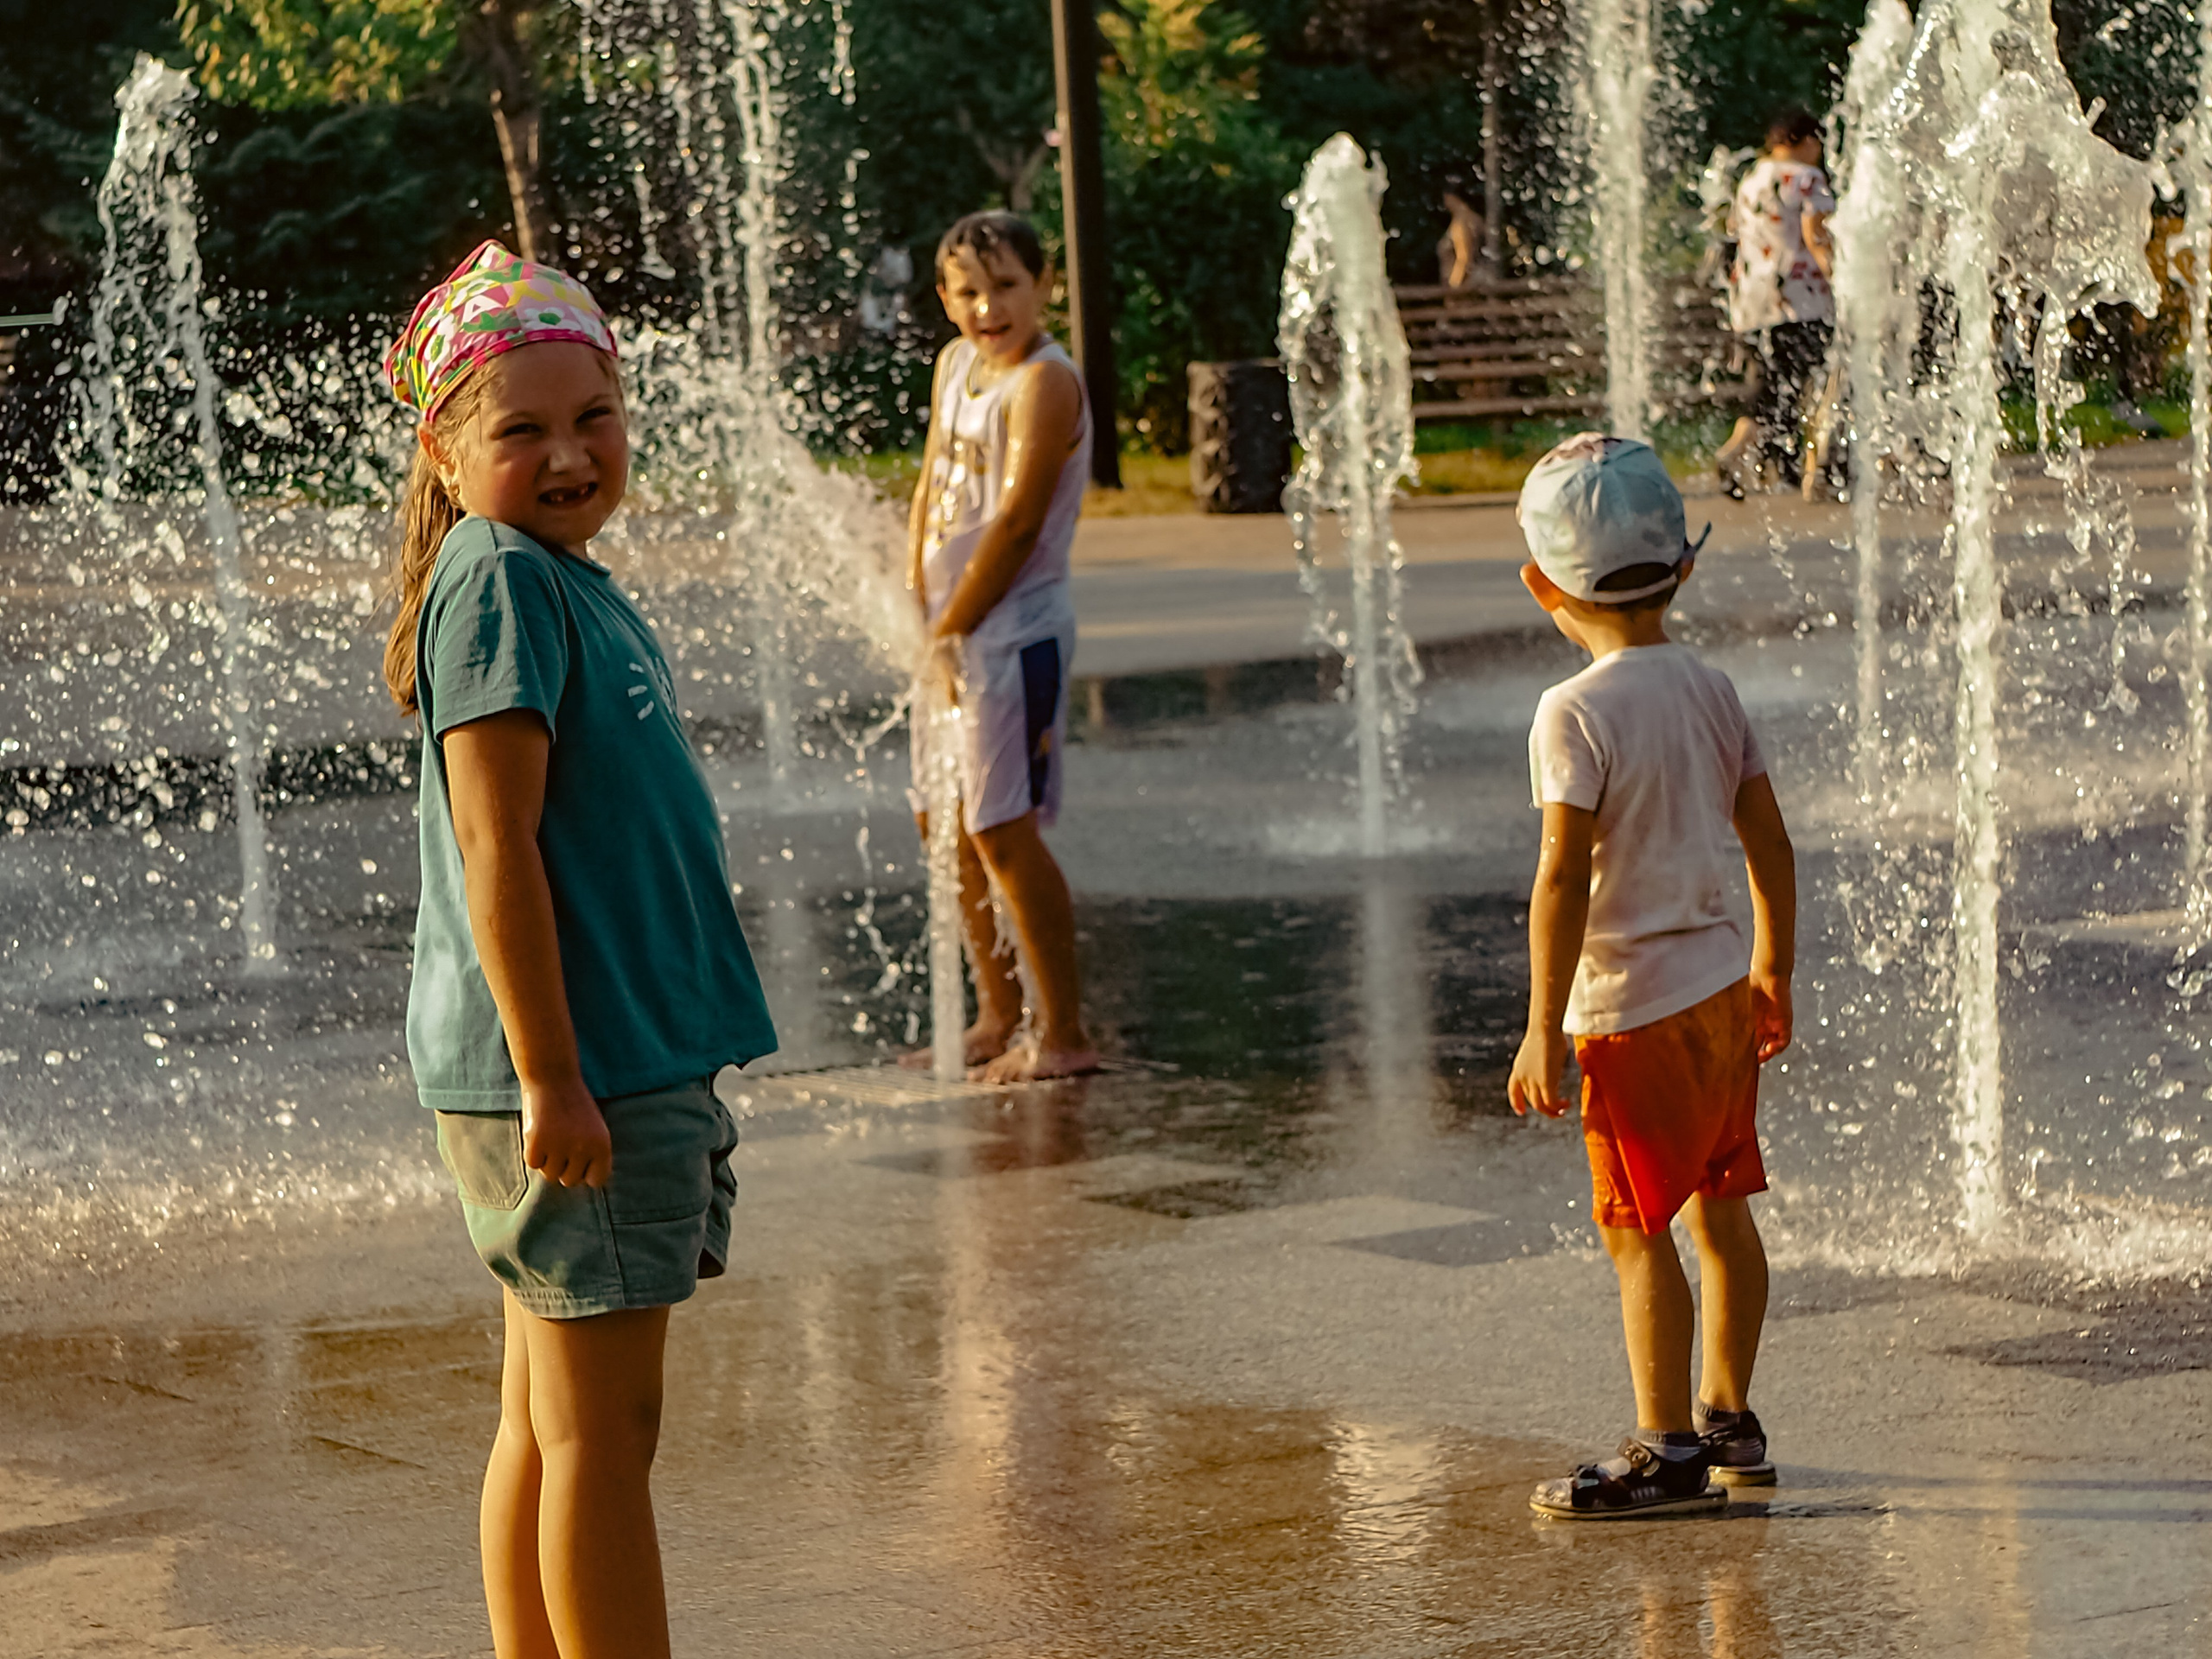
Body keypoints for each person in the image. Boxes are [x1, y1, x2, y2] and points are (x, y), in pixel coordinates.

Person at [382, 241, 777, 1656]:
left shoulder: (549, 574)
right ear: (445, 455)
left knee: (548, 1422)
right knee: (607, 1432)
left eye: (593, 417)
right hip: (581, 1065)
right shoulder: (501, 580)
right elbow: (495, 843)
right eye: (523, 430)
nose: (567, 453)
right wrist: (553, 1076)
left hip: (593, 1056)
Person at [1505, 434, 1797, 1520]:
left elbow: (1559, 880)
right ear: (1684, 567)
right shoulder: (1711, 688)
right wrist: (1772, 967)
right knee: (1721, 1216)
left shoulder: (1572, 711)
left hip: (1631, 1012)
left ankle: (1665, 1453)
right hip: (1722, 996)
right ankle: (1730, 1421)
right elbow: (1769, 844)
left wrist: (1541, 1026)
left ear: (1541, 587)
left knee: (1637, 1232)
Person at [903, 210, 1100, 1084]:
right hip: (949, 636)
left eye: (1008, 287)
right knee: (941, 821)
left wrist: (949, 627)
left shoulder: (1044, 383)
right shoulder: (957, 365)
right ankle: (996, 1013)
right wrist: (918, 605)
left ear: (1044, 285)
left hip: (1013, 634)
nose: (989, 308)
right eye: (970, 292)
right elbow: (928, 487)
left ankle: (1063, 1033)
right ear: (945, 299)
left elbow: (1017, 523)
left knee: (999, 824)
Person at [1716, 109, 1836, 496]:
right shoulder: (1807, 179)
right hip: (1801, 300)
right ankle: (1757, 454)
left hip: (1753, 301)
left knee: (1773, 382)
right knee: (1815, 384)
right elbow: (1815, 237)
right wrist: (1839, 278)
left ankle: (1775, 465)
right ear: (1808, 141)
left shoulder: (1750, 179)